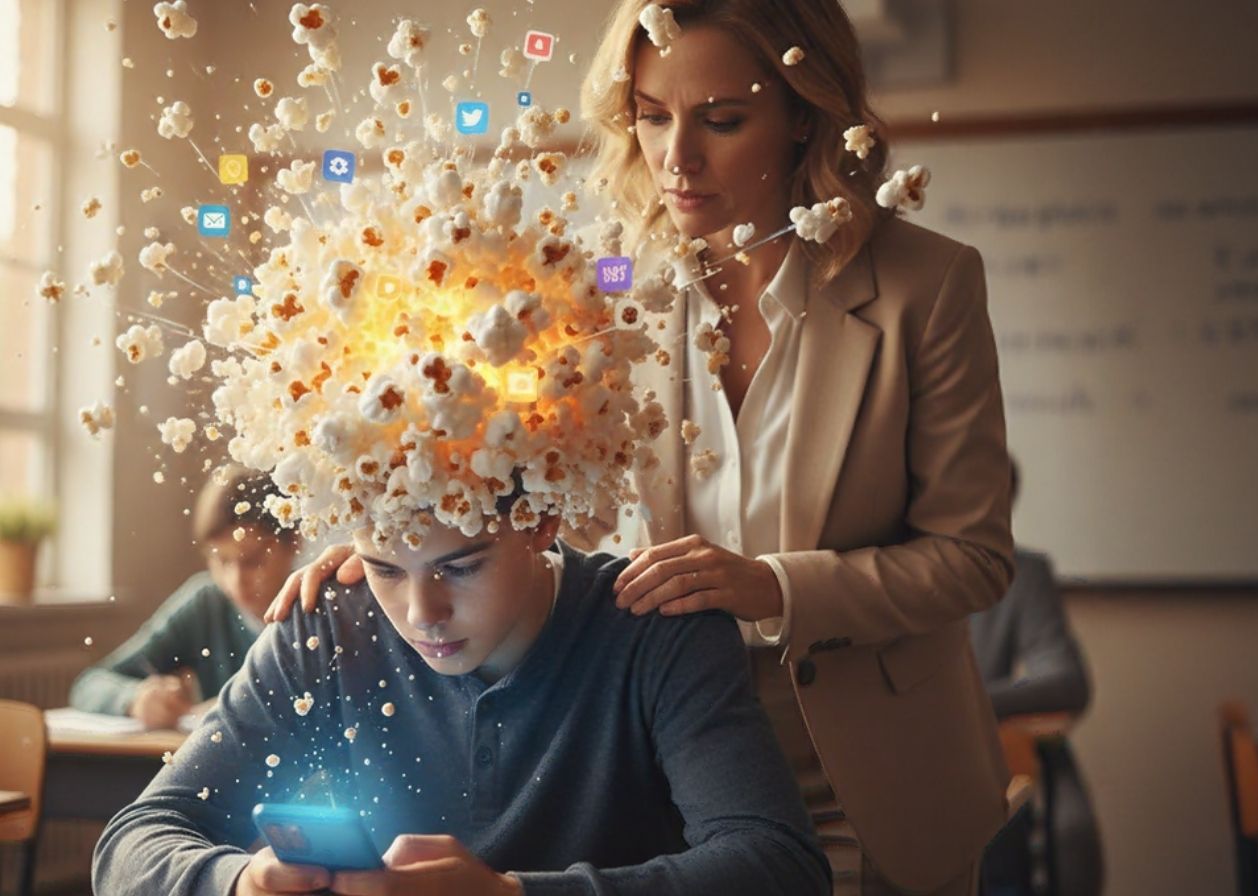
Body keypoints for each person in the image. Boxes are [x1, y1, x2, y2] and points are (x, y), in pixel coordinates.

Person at [270, 1, 1016, 893]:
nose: (677, 158)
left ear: (806, 115)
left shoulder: (924, 285)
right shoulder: (613, 281)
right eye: (652, 117)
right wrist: (380, 542)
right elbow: (509, 466)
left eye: (723, 121)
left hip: (872, 775)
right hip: (664, 765)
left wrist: (769, 583)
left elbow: (973, 557)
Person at [92, 495, 831, 896]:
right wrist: (235, 881)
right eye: (384, 566)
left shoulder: (655, 627)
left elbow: (780, 868)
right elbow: (131, 842)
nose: (422, 613)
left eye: (462, 566)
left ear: (542, 518)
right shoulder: (323, 624)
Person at [70, 465, 300, 729]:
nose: (235, 581)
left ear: (293, 542)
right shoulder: (206, 604)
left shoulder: (316, 607)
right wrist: (136, 698)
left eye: (253, 561)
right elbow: (90, 683)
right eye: (221, 561)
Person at [970, 461, 1103, 896]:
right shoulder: (878, 574)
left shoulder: (1020, 572)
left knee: (1014, 820)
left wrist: (963, 705)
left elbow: (1066, 680)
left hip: (988, 766)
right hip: (897, 773)